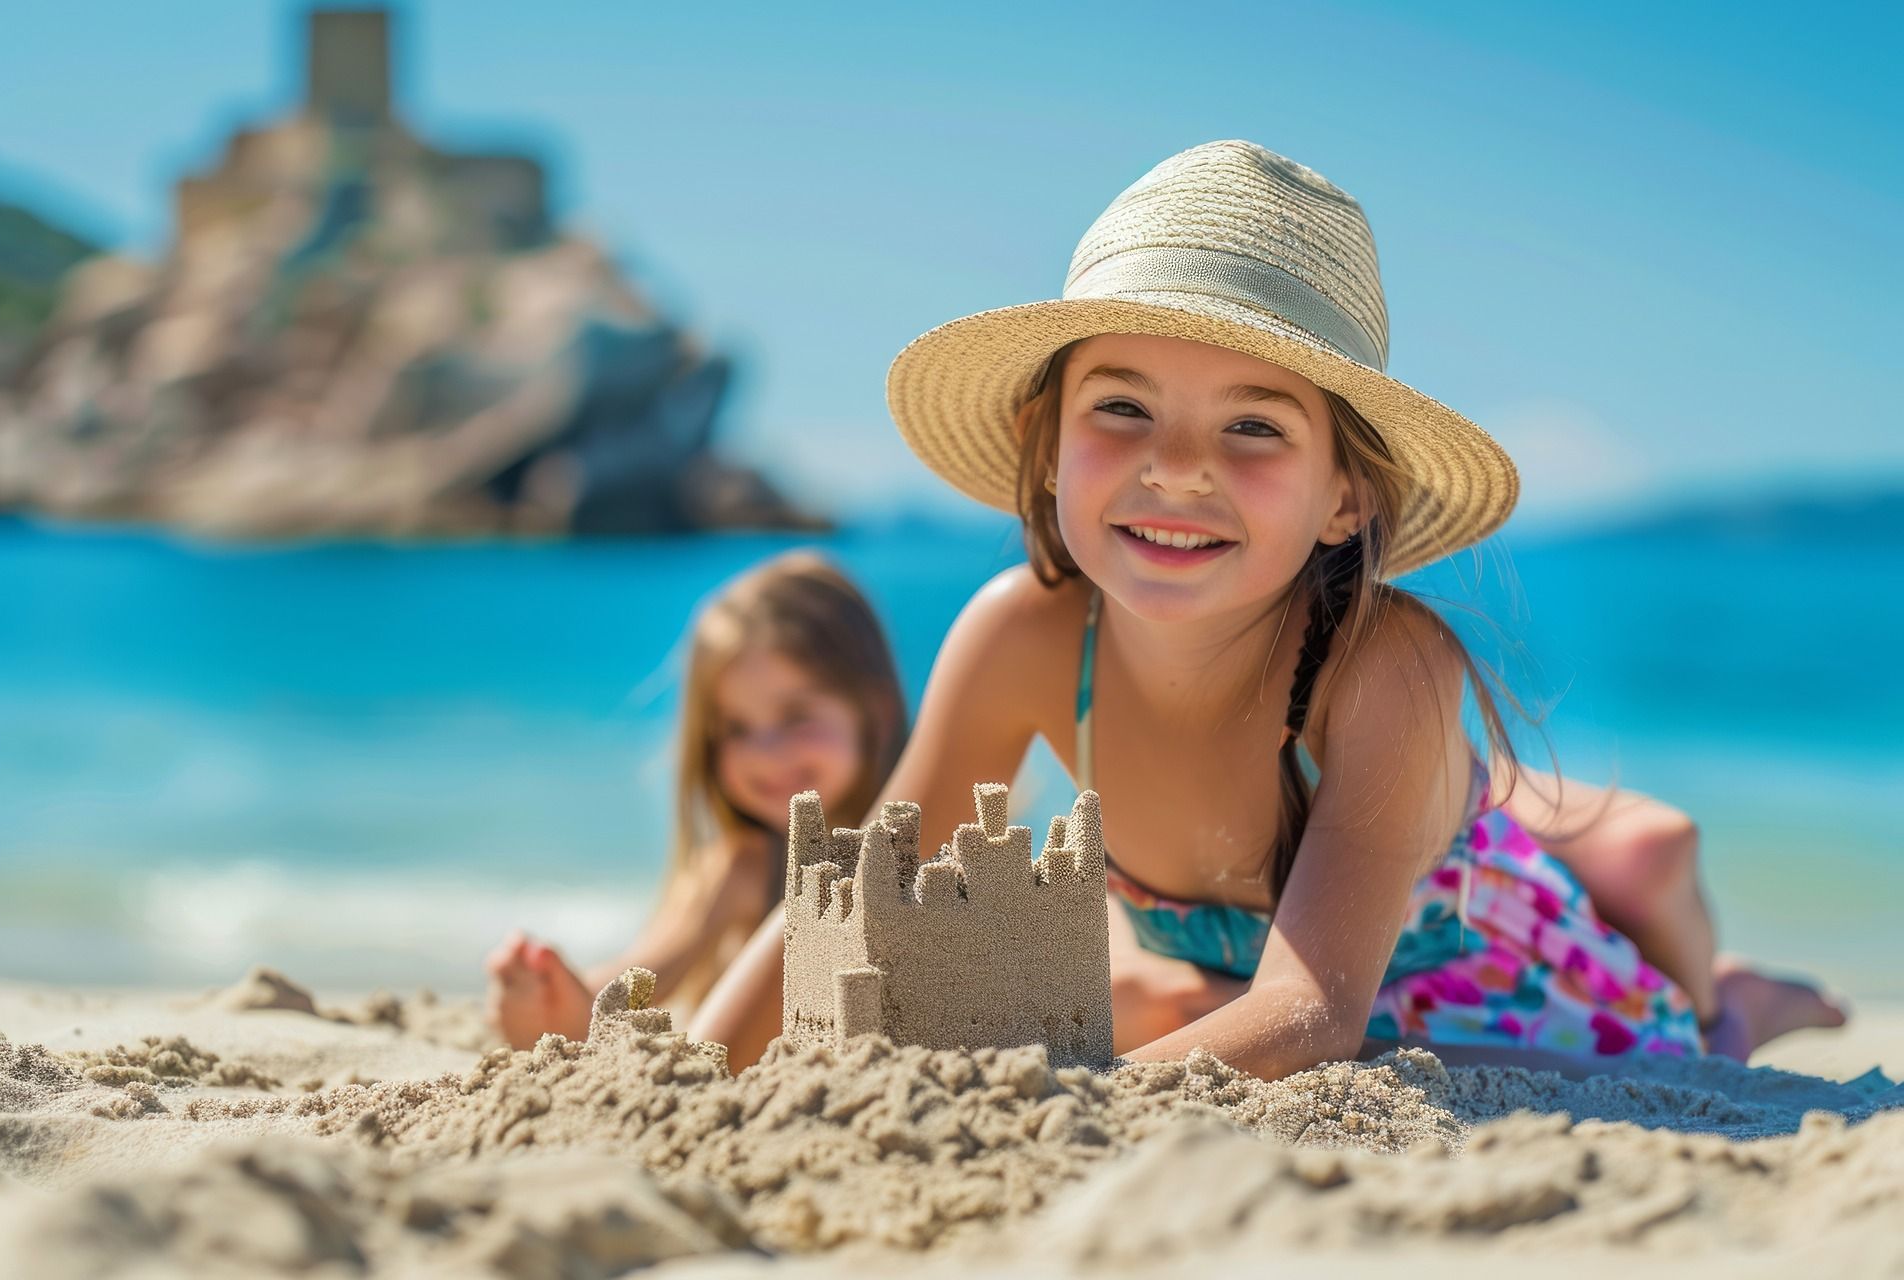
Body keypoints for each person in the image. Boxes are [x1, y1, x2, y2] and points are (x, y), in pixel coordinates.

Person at [682, 140, 1845, 1078]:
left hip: (1483, 994)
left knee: (1675, 1021)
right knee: (1100, 1000)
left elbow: (1312, 1014)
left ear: (1345, 495)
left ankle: (1735, 1000)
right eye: (1122, 406)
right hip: (1249, 991)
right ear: (1045, 446)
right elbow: (850, 904)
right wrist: (691, 1068)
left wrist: (1074, 1119)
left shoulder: (1386, 659)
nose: (1177, 468)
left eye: (1252, 426)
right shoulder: (1021, 638)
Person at [486, 549, 908, 1048]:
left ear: (874, 713)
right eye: (736, 728)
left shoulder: (946, 849)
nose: (765, 754)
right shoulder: (745, 867)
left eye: (797, 716)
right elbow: (645, 975)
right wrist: (558, 1000)